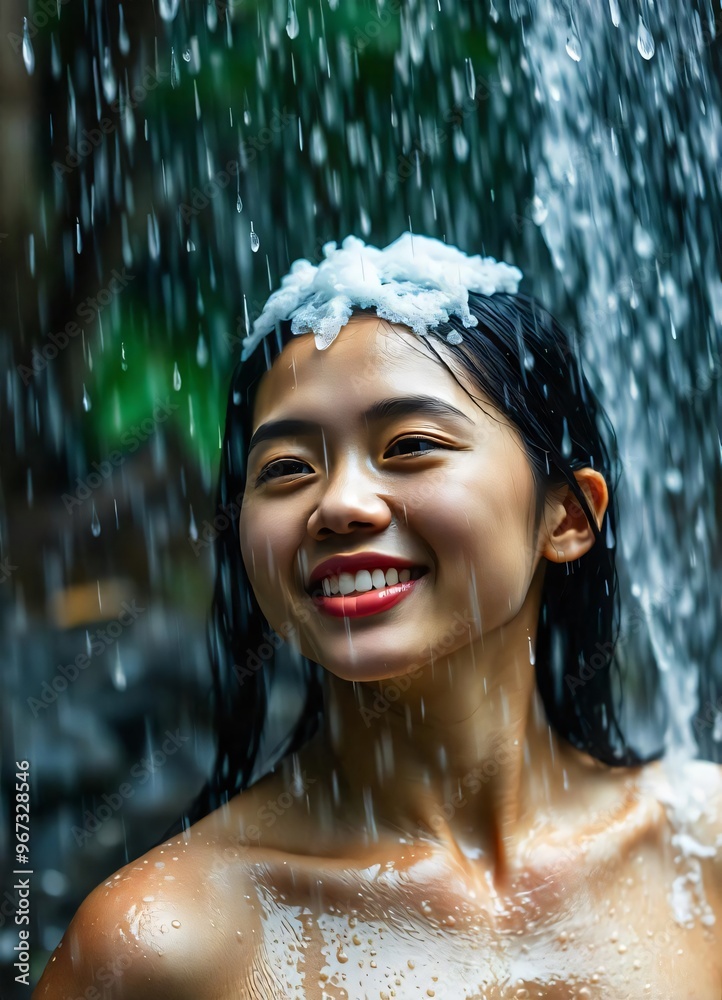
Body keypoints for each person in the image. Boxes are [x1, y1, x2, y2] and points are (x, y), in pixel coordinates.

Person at [35, 234, 722, 999]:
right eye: (288, 468)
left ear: (566, 516)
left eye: (410, 446)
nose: (339, 505)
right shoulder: (160, 942)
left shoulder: (703, 855)